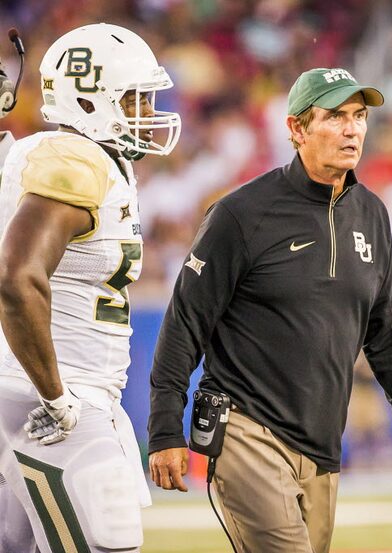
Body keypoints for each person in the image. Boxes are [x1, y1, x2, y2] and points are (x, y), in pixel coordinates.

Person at [147, 67, 392, 553]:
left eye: (359, 116)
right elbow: (184, 325)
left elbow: (388, 332)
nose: (351, 130)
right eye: (334, 117)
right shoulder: (241, 215)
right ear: (296, 129)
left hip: (323, 444)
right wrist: (164, 429)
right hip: (246, 429)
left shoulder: (372, 213)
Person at [0, 23, 181, 553]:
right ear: (88, 100)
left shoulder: (42, 153)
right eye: (134, 99)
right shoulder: (75, 159)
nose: (147, 111)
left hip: (24, 394)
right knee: (108, 543)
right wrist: (56, 396)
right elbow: (16, 275)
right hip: (55, 401)